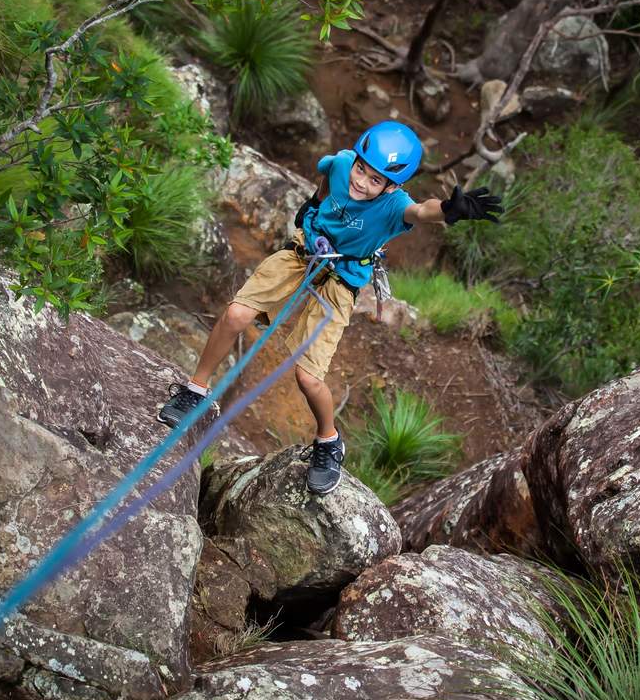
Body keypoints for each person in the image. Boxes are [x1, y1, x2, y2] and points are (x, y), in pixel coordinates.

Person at [157, 120, 503, 494]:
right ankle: (196, 390)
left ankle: (328, 440)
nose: (361, 182)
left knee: (308, 379)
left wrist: (448, 211)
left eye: (375, 180)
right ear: (355, 159)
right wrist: (312, 210)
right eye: (362, 170)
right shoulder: (340, 164)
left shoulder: (395, 206)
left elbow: (421, 212)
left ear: (392, 186)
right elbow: (324, 185)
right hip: (306, 252)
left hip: (342, 278)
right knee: (236, 314)